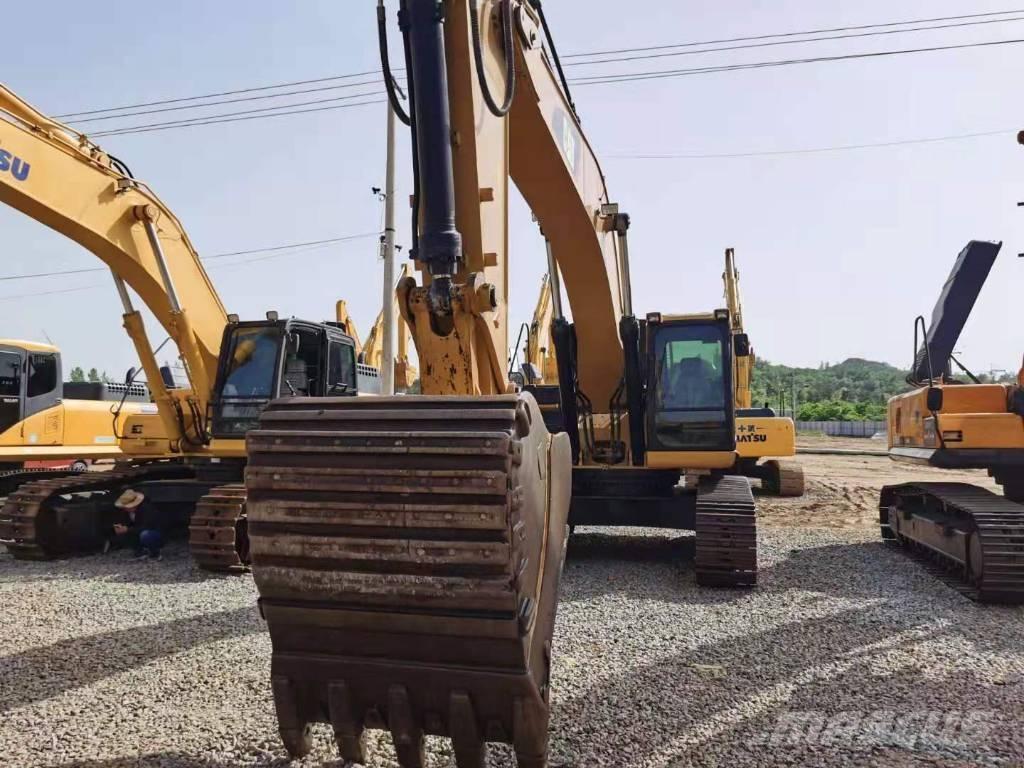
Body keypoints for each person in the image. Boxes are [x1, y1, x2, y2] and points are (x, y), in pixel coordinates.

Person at [107, 488, 164, 560]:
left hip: (154, 533)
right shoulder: (126, 512)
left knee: (145, 535)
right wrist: (120, 527)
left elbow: (147, 526)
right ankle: (140, 552)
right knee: (125, 533)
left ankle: (155, 553)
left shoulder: (147, 509)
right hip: (139, 532)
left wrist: (127, 529)